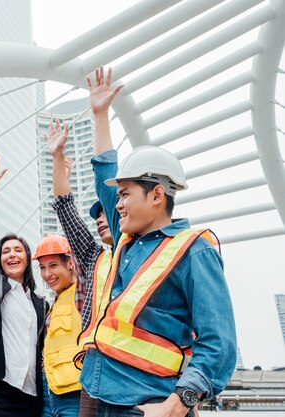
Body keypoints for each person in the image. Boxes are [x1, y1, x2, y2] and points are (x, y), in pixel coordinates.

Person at [79, 66, 237, 417]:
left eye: (124, 195)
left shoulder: (194, 250)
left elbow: (219, 344)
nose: (116, 204)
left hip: (147, 405)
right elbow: (105, 173)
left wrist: (177, 405)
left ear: (156, 195)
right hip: (97, 394)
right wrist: (100, 115)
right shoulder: (127, 239)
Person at [43, 118, 117, 417]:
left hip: (137, 379)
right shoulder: (93, 259)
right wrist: (57, 157)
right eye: (95, 217)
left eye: (107, 213)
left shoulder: (154, 256)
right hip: (92, 380)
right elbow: (65, 206)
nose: (100, 220)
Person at [0, 153, 47, 417]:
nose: (12, 255)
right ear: (0, 261)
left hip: (30, 395)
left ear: (27, 258)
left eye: (18, 250)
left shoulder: (40, 303)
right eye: (6, 252)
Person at [34, 234, 82, 417]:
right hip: (49, 392)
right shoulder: (54, 303)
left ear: (70, 263)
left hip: (74, 394)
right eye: (42, 268)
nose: (47, 274)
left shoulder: (82, 292)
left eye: (53, 265)